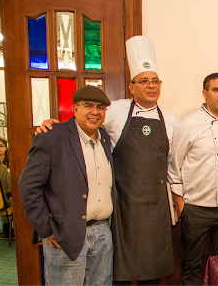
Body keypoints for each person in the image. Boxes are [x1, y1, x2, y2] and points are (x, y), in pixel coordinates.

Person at [38, 36, 178, 286]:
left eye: (155, 81)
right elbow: (84, 121)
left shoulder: (170, 119)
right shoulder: (114, 110)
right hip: (123, 209)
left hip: (156, 209)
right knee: (119, 276)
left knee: (152, 276)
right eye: (144, 81)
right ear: (132, 87)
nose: (151, 85)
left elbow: (175, 164)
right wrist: (52, 124)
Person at [20, 86, 115, 286]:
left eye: (100, 107)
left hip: (102, 233)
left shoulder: (104, 138)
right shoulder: (52, 136)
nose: (95, 112)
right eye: (88, 106)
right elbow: (29, 186)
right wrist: (47, 229)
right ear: (74, 108)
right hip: (66, 234)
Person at [169, 73, 218, 286]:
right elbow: (174, 165)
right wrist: (180, 202)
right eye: (216, 90)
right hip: (195, 207)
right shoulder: (188, 125)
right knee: (191, 264)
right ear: (205, 93)